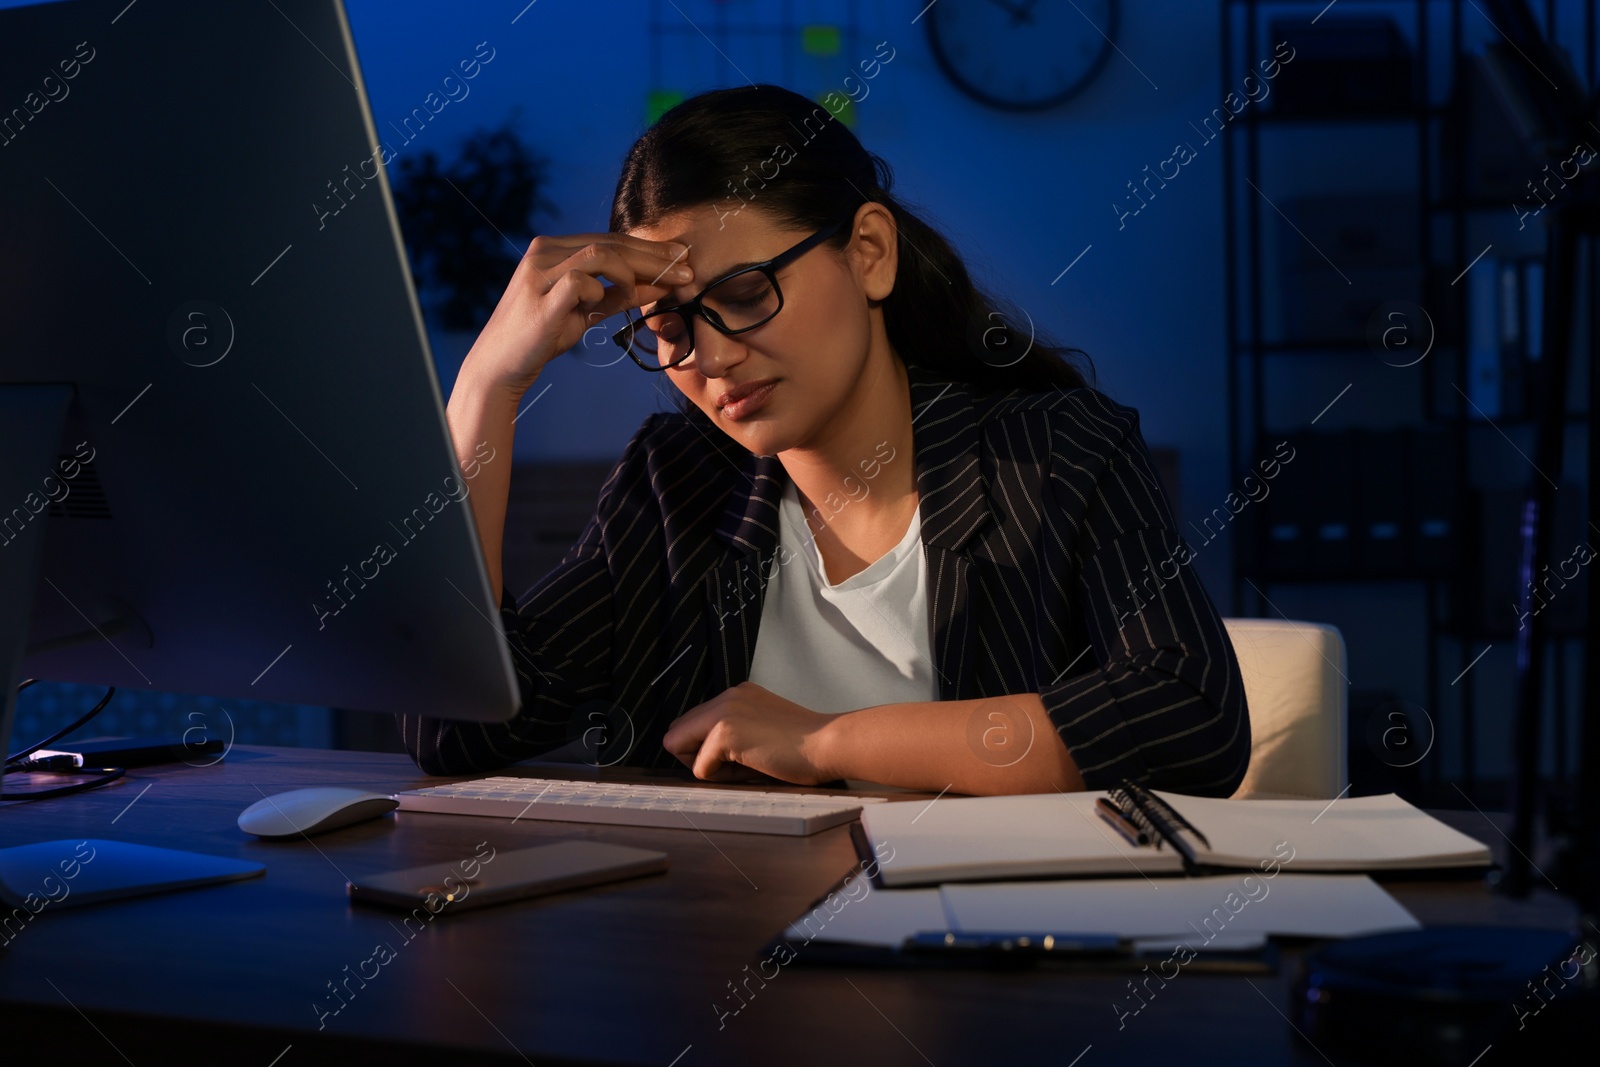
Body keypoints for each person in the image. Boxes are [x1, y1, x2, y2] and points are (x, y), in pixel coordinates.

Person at [396, 84, 1250, 797]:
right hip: (729, 961)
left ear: (869, 253)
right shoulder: (673, 483)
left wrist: (827, 741)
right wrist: (486, 384)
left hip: (993, 965)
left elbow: (1191, 719)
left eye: (744, 292)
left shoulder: (1060, 451)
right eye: (668, 322)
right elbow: (453, 726)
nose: (714, 355)